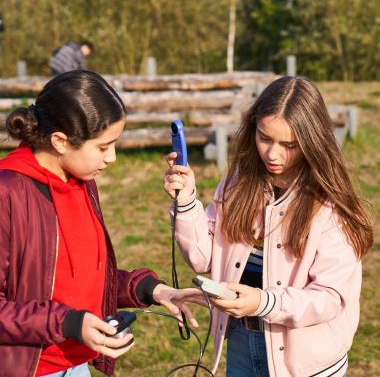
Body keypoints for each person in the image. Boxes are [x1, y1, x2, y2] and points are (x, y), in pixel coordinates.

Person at [163, 76, 373, 377]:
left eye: (289, 145)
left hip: (306, 362)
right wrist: (185, 203)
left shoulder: (329, 204)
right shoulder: (238, 182)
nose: (273, 154)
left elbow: (329, 298)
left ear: (313, 142)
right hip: (240, 343)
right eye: (265, 138)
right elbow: (203, 258)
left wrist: (263, 303)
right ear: (253, 129)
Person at [0, 70, 199, 377]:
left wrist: (150, 289)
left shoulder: (82, 182)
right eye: (104, 147)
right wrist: (68, 322)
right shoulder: (8, 193)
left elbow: (82, 278)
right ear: (60, 142)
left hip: (78, 366)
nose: (112, 158)